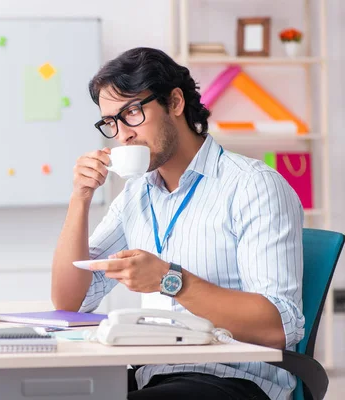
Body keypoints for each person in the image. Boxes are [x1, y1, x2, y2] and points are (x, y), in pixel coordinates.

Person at [50, 47, 305, 400]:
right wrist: (80, 197)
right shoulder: (136, 194)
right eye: (111, 122)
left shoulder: (252, 185)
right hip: (153, 377)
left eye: (132, 113)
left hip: (234, 381)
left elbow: (279, 326)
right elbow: (69, 303)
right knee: (3, 395)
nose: (122, 134)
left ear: (174, 102)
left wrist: (170, 279)